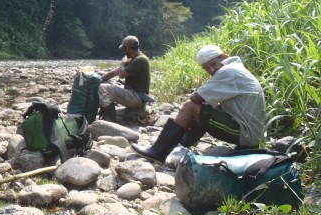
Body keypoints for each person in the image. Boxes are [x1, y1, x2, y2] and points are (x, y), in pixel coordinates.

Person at [131, 45, 266, 164]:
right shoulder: (235, 68)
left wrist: (196, 101)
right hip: (251, 133)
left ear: (224, 57)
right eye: (206, 68)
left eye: (214, 64)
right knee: (207, 107)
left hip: (247, 135)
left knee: (190, 107)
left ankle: (158, 152)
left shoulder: (228, 71)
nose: (211, 70)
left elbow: (196, 98)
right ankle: (180, 146)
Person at [98, 35, 152, 122]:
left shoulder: (141, 60)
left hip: (137, 97)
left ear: (127, 48)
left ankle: (109, 119)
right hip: (134, 95)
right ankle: (126, 114)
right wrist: (97, 80)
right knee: (107, 82)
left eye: (124, 49)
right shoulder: (134, 59)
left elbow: (121, 74)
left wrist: (123, 63)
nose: (124, 51)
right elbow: (115, 72)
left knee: (103, 88)